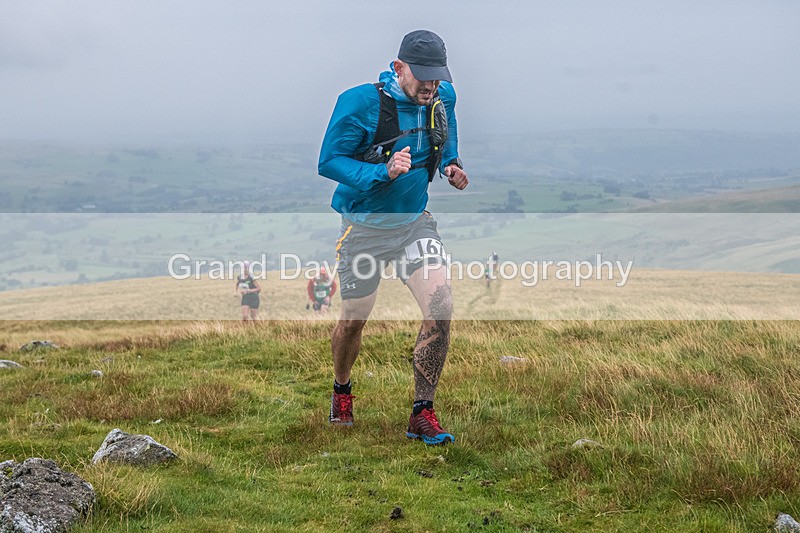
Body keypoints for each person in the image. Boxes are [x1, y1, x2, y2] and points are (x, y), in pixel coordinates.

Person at [318, 30, 468, 445]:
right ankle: (342, 391)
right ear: (398, 67)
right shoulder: (360, 103)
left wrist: (452, 163)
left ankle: (422, 412)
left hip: (413, 224)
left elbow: (447, 127)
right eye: (422, 76)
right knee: (354, 321)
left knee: (441, 306)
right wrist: (381, 172)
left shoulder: (442, 96)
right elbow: (329, 161)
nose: (430, 86)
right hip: (362, 229)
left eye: (437, 77)